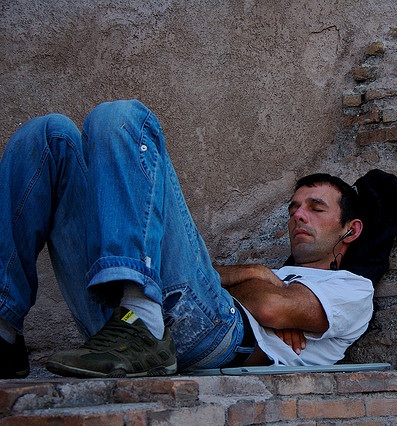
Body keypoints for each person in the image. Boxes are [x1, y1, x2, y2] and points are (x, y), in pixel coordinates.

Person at [0, 99, 374, 379]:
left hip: (212, 339)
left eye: (316, 207)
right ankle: (4, 327)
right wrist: (256, 274)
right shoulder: (272, 273)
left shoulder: (352, 289)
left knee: (122, 118)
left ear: (350, 230)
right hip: (116, 321)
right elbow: (214, 283)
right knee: (48, 135)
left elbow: (270, 309)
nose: (298, 215)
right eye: (293, 208)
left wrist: (258, 292)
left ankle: (142, 318)